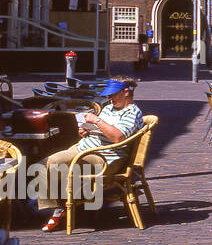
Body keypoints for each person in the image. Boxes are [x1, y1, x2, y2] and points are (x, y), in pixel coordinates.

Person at [37, 79, 145, 232]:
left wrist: (97, 120)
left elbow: (118, 137)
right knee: (45, 163)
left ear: (125, 92)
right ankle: (59, 206)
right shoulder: (109, 108)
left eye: (112, 95)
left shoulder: (132, 112)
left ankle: (63, 209)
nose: (109, 98)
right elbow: (102, 129)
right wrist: (85, 130)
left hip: (106, 156)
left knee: (63, 168)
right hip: (85, 148)